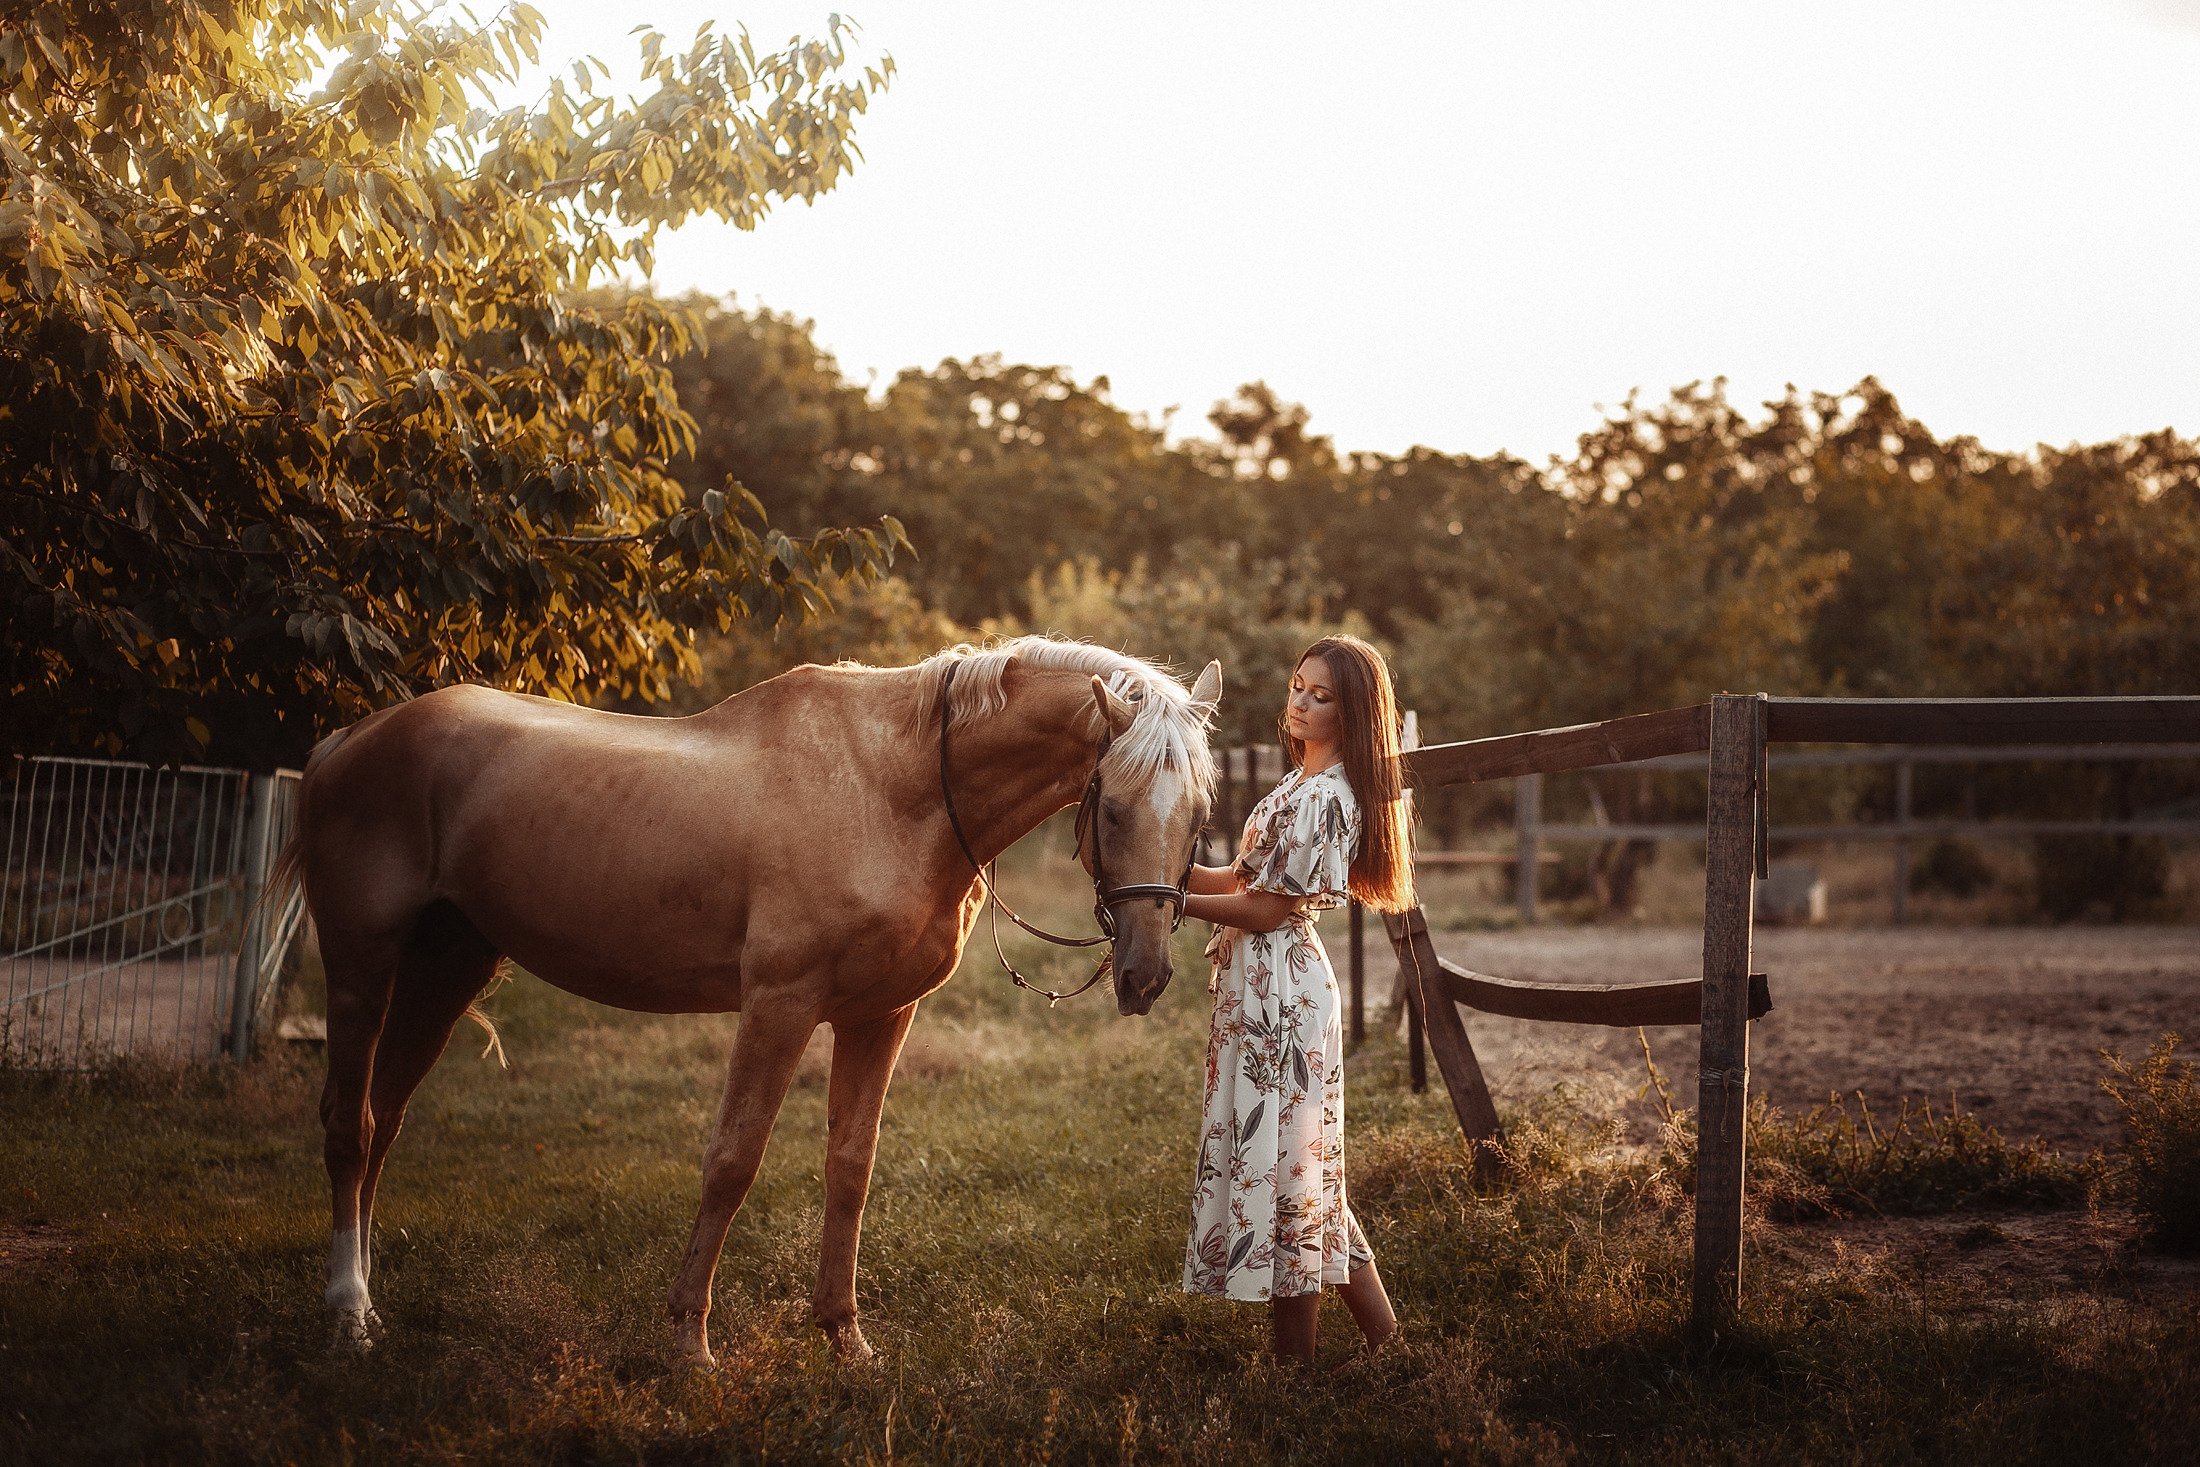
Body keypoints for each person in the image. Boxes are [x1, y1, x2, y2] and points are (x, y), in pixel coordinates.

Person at [1179, 634, 1416, 1363]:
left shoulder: (1323, 795)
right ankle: (1388, 1341)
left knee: (1293, 1176)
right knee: (1305, 1173)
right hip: (1266, 985)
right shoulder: (1299, 782)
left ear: (1353, 713)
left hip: (1284, 992)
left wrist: (1173, 903)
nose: (1301, 703)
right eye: (1298, 686)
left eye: (1322, 696)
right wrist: (1164, 876)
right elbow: (1244, 881)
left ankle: (1295, 1369)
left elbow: (1268, 910)